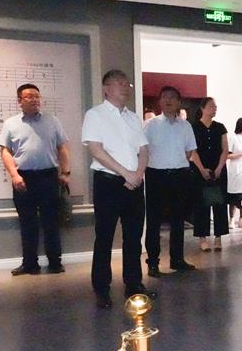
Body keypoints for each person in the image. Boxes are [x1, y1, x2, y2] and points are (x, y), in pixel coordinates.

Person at [82, 69, 157, 309]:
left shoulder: (133, 117)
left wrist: (138, 174)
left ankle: (134, 284)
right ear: (106, 88)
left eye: (127, 84)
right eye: (120, 84)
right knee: (104, 237)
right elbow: (96, 149)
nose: (125, 88)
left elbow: (143, 150)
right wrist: (126, 173)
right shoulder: (95, 115)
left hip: (135, 183)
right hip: (109, 183)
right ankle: (102, 289)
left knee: (133, 237)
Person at [0, 83, 71, 276]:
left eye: (37, 96)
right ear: (19, 101)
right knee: (27, 223)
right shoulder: (11, 124)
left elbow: (62, 148)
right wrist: (14, 175)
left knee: (51, 222)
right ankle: (30, 264)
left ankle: (55, 263)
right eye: (29, 96)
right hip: (23, 178)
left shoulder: (52, 121)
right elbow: (5, 151)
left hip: (48, 177)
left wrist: (66, 173)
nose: (34, 100)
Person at [143, 86, 202, 278]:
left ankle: (177, 259)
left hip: (180, 175)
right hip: (156, 175)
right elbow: (143, 151)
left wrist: (177, 163)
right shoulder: (150, 125)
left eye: (172, 97)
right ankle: (153, 263)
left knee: (178, 219)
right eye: (165, 97)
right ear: (160, 101)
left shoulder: (185, 126)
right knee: (154, 221)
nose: (168, 100)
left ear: (179, 102)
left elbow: (189, 151)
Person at [191, 97, 229, 252]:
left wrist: (219, 167)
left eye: (216, 107)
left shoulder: (220, 127)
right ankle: (203, 238)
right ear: (203, 108)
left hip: (218, 169)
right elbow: (192, 150)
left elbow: (225, 149)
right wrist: (201, 169)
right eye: (212, 106)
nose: (215, 109)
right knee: (201, 204)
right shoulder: (194, 127)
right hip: (199, 169)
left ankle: (218, 238)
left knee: (219, 203)